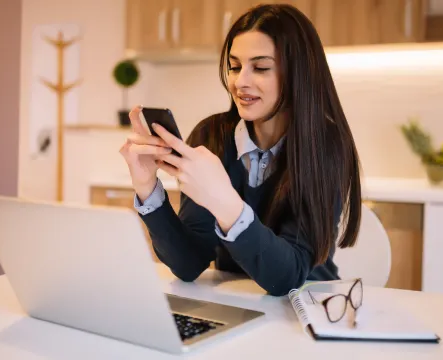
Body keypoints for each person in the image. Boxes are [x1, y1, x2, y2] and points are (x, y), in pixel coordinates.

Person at [119, 4, 362, 296]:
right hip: (240, 305)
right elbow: (188, 263)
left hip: (309, 308)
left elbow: (288, 276)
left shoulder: (325, 146)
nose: (240, 82)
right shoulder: (212, 136)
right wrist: (148, 189)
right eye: (234, 66)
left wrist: (224, 201)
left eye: (260, 68)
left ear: (298, 73)